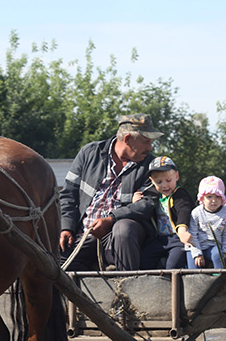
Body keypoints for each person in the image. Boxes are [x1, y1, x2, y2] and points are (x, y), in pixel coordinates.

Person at [59, 113, 161, 271]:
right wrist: (66, 227)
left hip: (118, 238)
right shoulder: (89, 153)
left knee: (124, 229)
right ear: (127, 139)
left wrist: (111, 220)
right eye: (146, 141)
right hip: (83, 234)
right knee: (52, 263)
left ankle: (126, 287)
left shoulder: (151, 165)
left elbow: (147, 205)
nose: (150, 147)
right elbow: (68, 194)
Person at [135, 156, 195, 269]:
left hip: (178, 238)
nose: (164, 185)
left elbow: (184, 210)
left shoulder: (180, 194)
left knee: (173, 264)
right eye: (159, 182)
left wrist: (182, 230)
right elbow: (145, 210)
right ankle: (149, 283)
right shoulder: (153, 196)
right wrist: (136, 202)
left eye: (168, 180)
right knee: (145, 259)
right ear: (152, 181)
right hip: (160, 239)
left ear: (176, 176)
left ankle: (172, 284)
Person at [187, 175, 226, 269]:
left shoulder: (225, 212)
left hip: (213, 246)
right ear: (202, 198)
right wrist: (197, 254)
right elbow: (193, 235)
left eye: (217, 197)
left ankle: (219, 280)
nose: (214, 200)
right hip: (195, 246)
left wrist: (225, 250)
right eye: (209, 197)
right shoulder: (196, 213)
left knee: (218, 256)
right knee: (194, 269)